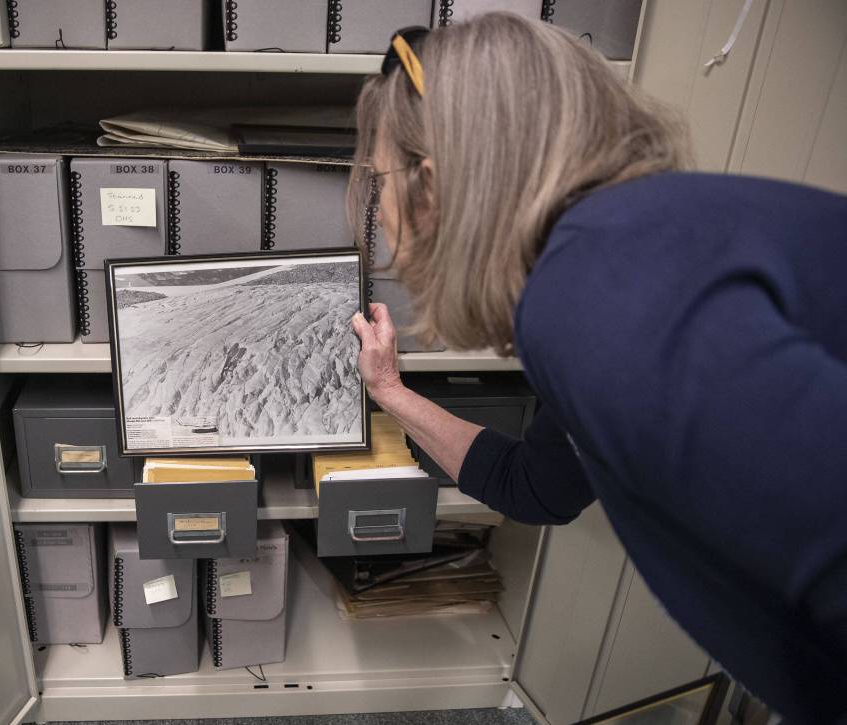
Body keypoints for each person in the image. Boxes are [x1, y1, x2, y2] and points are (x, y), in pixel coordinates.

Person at [347, 14, 847, 725]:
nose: (384, 214)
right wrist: (390, 391)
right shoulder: (611, 252)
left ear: (432, 186)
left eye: (381, 183)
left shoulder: (599, 299)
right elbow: (539, 486)